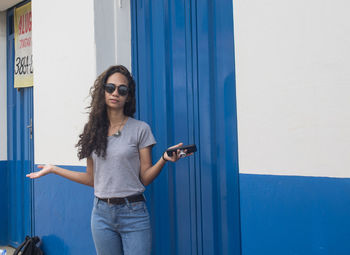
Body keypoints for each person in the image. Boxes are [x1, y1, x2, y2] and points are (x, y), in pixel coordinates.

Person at [26, 65, 192, 255]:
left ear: (128, 96)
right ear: (102, 91)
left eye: (122, 90)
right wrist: (54, 169)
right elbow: (91, 179)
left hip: (134, 214)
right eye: (110, 88)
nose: (115, 93)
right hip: (101, 215)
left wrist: (163, 158)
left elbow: (145, 178)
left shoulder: (140, 129)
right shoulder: (92, 130)